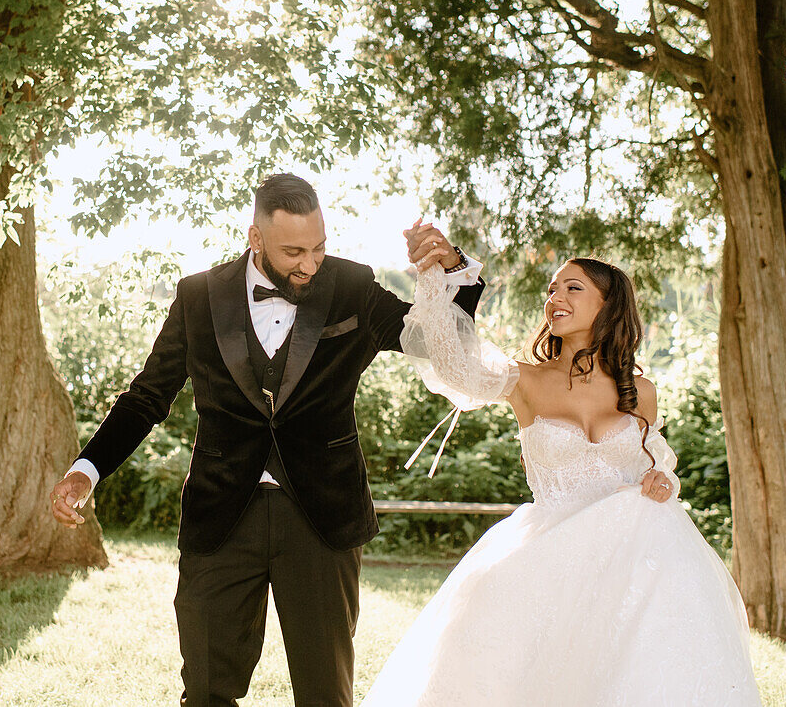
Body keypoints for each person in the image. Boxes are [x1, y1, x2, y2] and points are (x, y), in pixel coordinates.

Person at [48, 174, 485, 707]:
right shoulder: (198, 296)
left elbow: (443, 346)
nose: (310, 264)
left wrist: (451, 270)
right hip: (221, 516)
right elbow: (147, 396)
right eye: (293, 251)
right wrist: (86, 469)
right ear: (256, 239)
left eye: (319, 247)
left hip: (323, 518)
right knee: (207, 692)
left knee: (325, 695)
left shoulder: (352, 286)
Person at [360, 245, 763, 706]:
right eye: (552, 289)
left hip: (634, 561)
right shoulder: (524, 381)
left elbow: (658, 466)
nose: (555, 297)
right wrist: (434, 275)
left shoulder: (641, 391)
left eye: (573, 287)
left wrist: (661, 483)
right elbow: (452, 364)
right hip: (550, 557)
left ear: (608, 306)